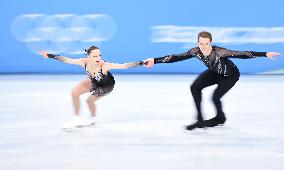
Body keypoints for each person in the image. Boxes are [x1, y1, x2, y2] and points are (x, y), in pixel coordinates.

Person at [143, 31, 281, 130]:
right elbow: (176, 57)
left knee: (215, 98)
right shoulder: (195, 51)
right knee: (195, 87)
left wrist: (265, 54)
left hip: (230, 75)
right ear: (198, 43)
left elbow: (242, 54)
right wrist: (155, 60)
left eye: (206, 43)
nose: (203, 47)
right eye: (201, 43)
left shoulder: (220, 52)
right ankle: (199, 120)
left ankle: (220, 118)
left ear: (211, 43)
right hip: (215, 72)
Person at [39, 46, 144, 129]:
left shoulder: (104, 65)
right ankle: (76, 118)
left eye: (99, 55)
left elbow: (124, 66)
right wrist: (50, 55)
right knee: (74, 93)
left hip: (106, 85)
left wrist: (141, 63)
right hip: (94, 81)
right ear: (89, 57)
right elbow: (67, 60)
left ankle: (93, 119)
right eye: (95, 56)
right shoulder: (83, 61)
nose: (98, 58)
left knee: (89, 101)